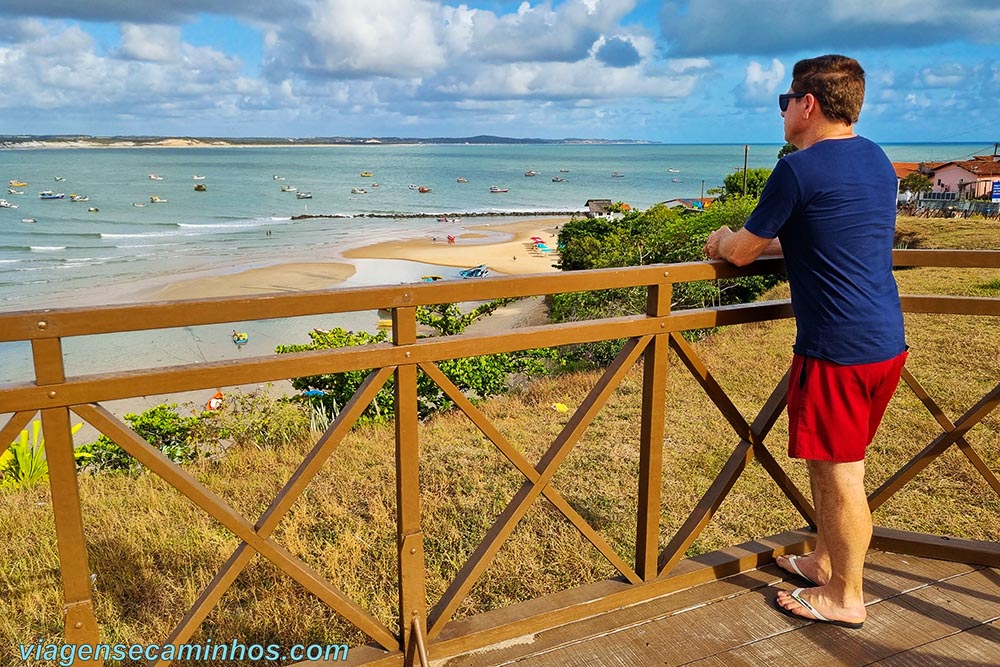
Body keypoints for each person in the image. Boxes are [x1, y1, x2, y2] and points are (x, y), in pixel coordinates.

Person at [703, 54, 907, 629]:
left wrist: (722, 238)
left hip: (836, 347)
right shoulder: (876, 158)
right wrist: (751, 243)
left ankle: (846, 596)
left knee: (840, 475)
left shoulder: (797, 169)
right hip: (884, 340)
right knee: (834, 466)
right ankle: (824, 560)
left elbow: (743, 250)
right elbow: (821, 235)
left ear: (808, 104)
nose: (782, 112)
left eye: (784, 101)